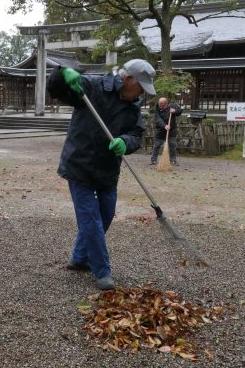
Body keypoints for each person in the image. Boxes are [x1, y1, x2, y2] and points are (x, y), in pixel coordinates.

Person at [46, 59, 155, 290]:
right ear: (127, 80)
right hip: (80, 165)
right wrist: (62, 73)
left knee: (106, 213)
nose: (144, 94)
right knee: (90, 219)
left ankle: (78, 257)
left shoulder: (133, 106)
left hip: (108, 169)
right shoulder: (93, 86)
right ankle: (102, 270)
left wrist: (125, 142)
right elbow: (56, 90)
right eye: (142, 87)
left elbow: (136, 134)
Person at [150, 97, 183, 166]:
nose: (159, 105)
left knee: (172, 145)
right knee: (156, 145)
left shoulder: (172, 106)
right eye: (159, 103)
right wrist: (164, 125)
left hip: (171, 131)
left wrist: (175, 111)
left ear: (165, 104)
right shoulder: (157, 108)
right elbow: (158, 119)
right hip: (160, 130)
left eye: (161, 104)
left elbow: (180, 111)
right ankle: (153, 160)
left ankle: (173, 160)